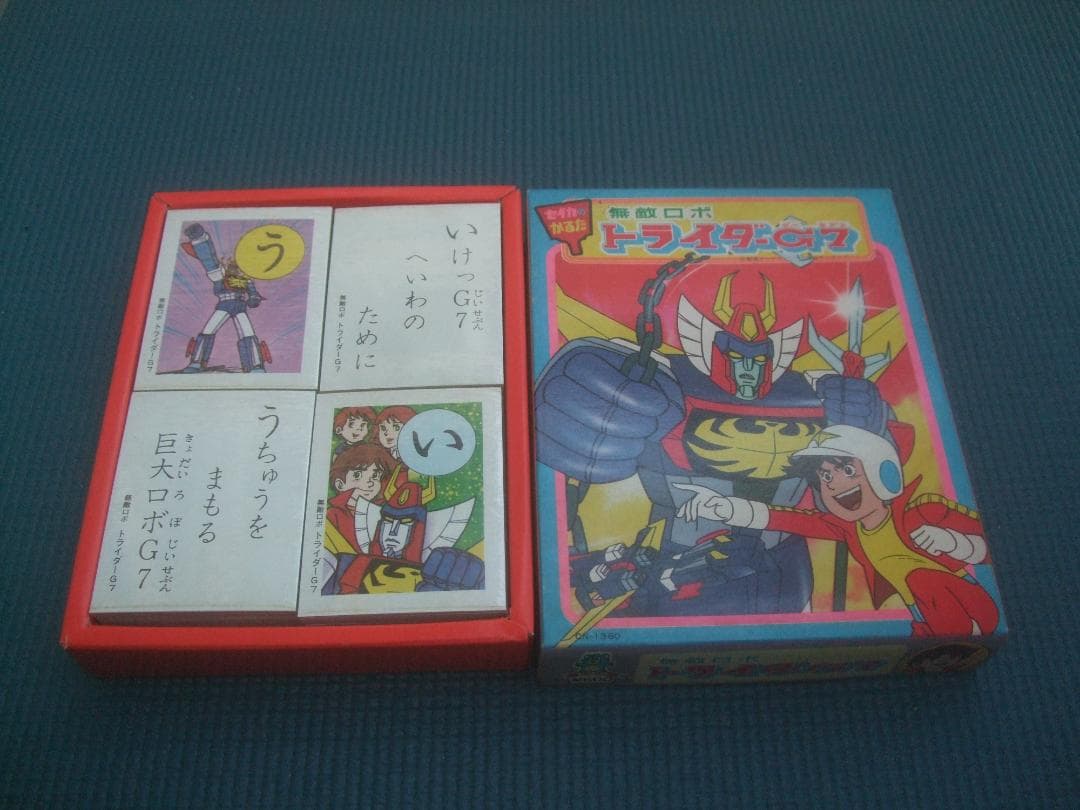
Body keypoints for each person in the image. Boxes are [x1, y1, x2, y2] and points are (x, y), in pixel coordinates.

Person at [675, 423, 999, 637]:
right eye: (825, 477)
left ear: (883, 473)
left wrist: (952, 542)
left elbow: (983, 551)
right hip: (926, 617)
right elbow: (787, 519)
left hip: (970, 606)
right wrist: (725, 507)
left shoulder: (924, 511)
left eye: (845, 469)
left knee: (921, 580)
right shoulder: (848, 529)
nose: (833, 484)